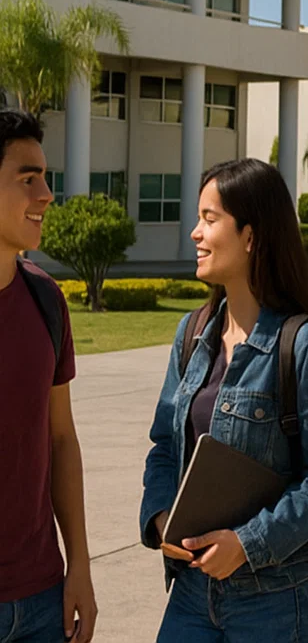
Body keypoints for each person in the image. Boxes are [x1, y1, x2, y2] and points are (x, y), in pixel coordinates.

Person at [140, 158, 308, 642]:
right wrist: (159, 518)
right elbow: (164, 447)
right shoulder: (193, 334)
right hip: (192, 592)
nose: (195, 232)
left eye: (210, 219)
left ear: (252, 236)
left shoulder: (305, 346)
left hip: (276, 600)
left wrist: (246, 544)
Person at [0, 110, 96, 643]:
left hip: (41, 600)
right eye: (26, 178)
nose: (46, 194)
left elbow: (61, 440)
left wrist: (78, 564)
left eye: (45, 177)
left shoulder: (46, 300)